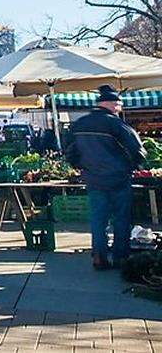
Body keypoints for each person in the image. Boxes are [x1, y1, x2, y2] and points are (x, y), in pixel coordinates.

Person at [64, 85, 146, 270]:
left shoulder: (80, 124)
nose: (120, 108)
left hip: (93, 179)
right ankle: (120, 257)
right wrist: (132, 166)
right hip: (118, 178)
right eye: (119, 104)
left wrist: (81, 167)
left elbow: (69, 151)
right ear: (111, 104)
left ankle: (99, 256)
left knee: (98, 219)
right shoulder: (116, 124)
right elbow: (138, 150)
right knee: (121, 218)